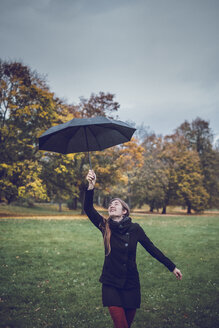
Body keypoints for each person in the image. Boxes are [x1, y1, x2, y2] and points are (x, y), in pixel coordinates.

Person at [84, 170, 182, 328]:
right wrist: (91, 185)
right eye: (110, 205)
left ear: (124, 211)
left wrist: (172, 267)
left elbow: (152, 248)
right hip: (111, 283)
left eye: (116, 204)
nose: (111, 206)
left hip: (131, 284)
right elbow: (88, 208)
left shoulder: (135, 228)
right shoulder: (105, 226)